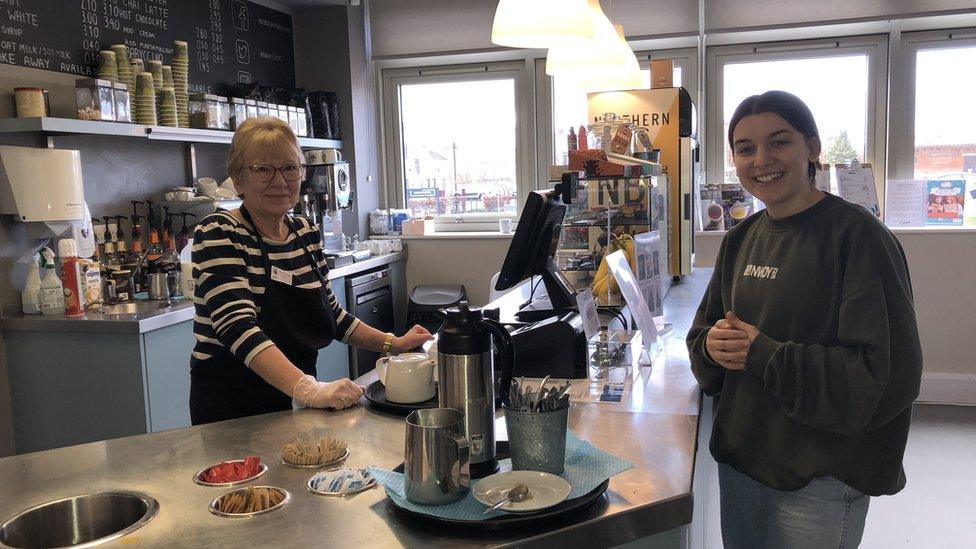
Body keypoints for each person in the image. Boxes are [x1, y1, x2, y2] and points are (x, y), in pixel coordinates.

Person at [686, 91, 922, 548]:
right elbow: (703, 336)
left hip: (821, 477)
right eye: (746, 148)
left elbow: (887, 374)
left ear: (812, 149)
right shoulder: (739, 240)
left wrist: (766, 356)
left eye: (779, 142)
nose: (762, 160)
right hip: (743, 464)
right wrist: (711, 346)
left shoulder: (858, 237)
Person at [190, 117, 431, 425]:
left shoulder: (304, 232)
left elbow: (333, 318)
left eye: (290, 168)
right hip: (232, 408)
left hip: (296, 401)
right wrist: (309, 389)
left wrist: (392, 343)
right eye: (263, 169)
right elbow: (237, 327)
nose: (280, 181)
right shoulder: (220, 232)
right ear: (238, 179)